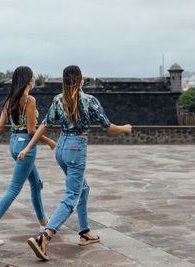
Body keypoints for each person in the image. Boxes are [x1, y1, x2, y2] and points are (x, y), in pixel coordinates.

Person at [18, 65, 132, 260]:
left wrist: (28, 147)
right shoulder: (89, 101)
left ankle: (85, 232)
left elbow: (44, 125)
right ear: (81, 80)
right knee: (72, 196)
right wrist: (125, 128)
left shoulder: (57, 99)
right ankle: (44, 237)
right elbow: (108, 126)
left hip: (61, 149)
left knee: (83, 188)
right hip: (76, 148)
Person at [0, 66, 56, 246]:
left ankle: (44, 223)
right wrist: (50, 141)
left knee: (36, 183)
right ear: (28, 80)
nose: (34, 79)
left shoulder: (9, 100)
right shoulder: (29, 100)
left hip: (13, 144)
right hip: (26, 145)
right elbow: (31, 130)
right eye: (33, 77)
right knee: (14, 189)